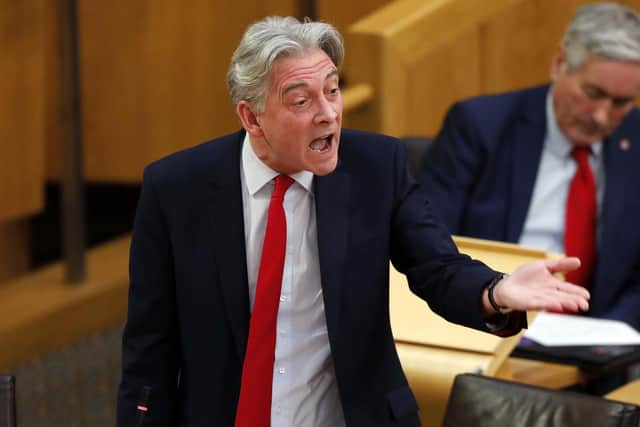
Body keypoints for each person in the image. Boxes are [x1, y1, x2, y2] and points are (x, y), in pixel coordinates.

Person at [117, 16, 589, 427]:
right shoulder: (176, 189)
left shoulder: (376, 166)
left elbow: (438, 268)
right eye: (301, 101)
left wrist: (495, 291)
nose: (328, 114)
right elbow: (149, 352)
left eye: (333, 89)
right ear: (252, 117)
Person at [419, 2, 640, 332]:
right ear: (559, 63)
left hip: (597, 351)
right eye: (593, 93)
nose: (601, 116)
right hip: (488, 326)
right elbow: (427, 246)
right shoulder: (480, 126)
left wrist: (612, 333)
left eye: (621, 103)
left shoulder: (635, 140)